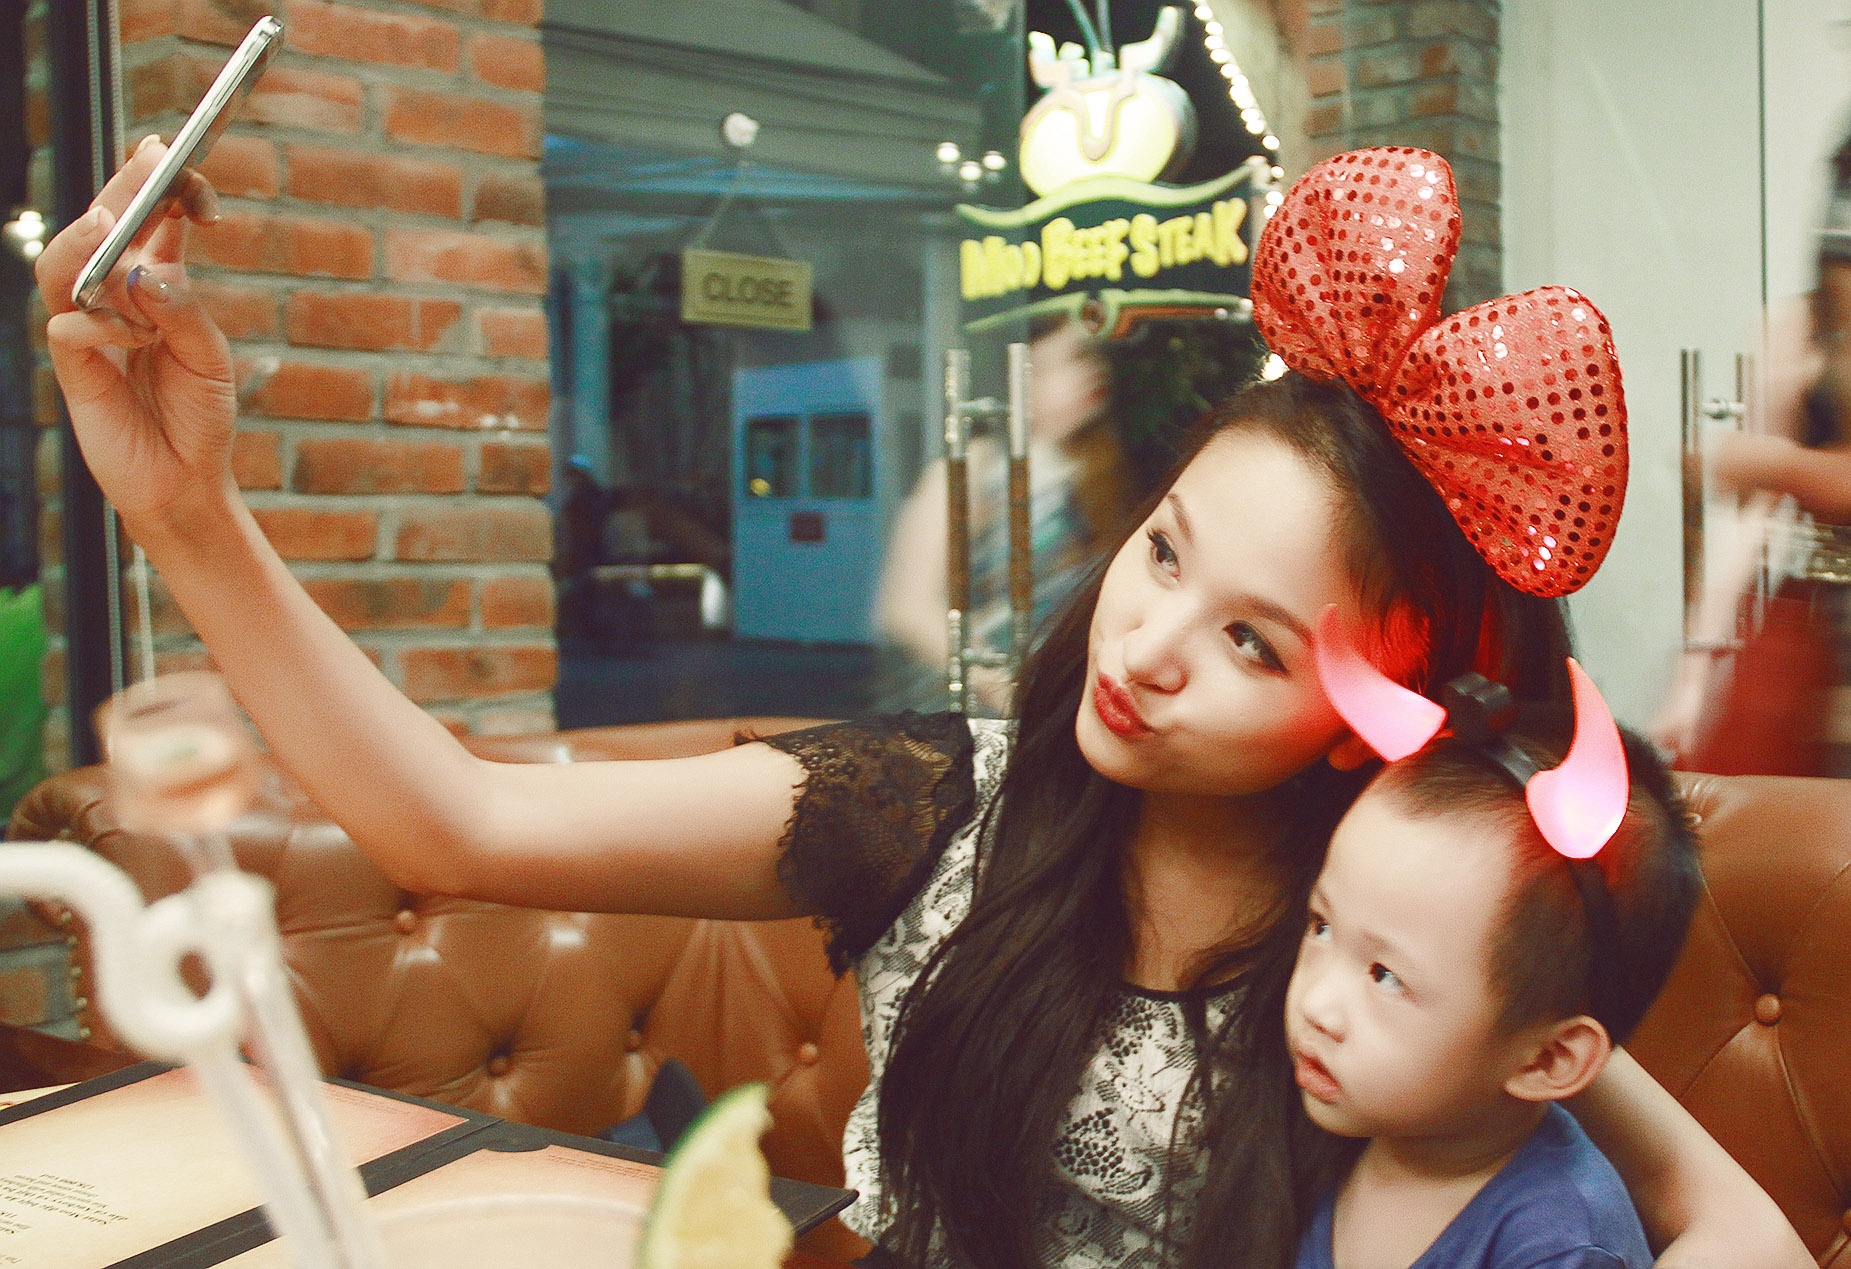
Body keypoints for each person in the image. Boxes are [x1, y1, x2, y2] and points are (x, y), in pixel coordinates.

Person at [37, 139, 1808, 1268]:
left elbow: (1725, 1226)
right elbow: (460, 820)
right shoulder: (940, 799)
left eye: (1254, 645)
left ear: (1379, 712)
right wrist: (183, 507)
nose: (1148, 642)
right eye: (1165, 549)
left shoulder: (1394, 936)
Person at [1291, 618, 1703, 1269]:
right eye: (1320, 927)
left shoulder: (1558, 1245)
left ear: (1547, 1058)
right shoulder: (1345, 1124)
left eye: (1384, 976)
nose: (1316, 1004)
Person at [1654, 121, 1851, 775]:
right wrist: (1693, 672)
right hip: (1819, 620)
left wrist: (1775, 463)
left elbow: (1759, 471)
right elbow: (1748, 521)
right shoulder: (1798, 329)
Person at [875, 318, 1134, 714]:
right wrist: (1003, 688)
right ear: (1019, 382)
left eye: (1088, 357)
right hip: (971, 713)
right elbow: (906, 610)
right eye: (1062, 364)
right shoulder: (975, 469)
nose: (1088, 373)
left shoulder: (1095, 472)